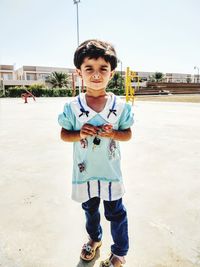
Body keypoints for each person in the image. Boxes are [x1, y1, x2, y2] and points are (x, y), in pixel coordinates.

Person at [58, 39, 134, 267]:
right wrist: (80, 133)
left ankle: (119, 253)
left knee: (116, 214)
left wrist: (114, 134)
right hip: (85, 173)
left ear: (112, 73)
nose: (96, 74)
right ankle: (94, 239)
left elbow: (127, 134)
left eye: (103, 69)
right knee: (90, 210)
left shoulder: (120, 107)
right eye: (89, 68)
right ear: (79, 72)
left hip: (111, 173)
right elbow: (64, 134)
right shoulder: (72, 107)